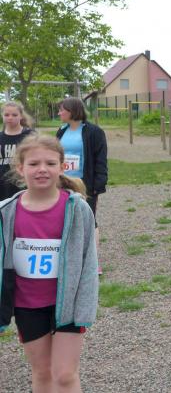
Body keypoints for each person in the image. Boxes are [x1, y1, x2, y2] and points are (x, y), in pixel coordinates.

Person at [0, 134, 99, 392]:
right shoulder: (6, 211)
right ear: (20, 168)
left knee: (65, 375)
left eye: (50, 163)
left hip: (68, 304)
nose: (42, 169)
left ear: (62, 167)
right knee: (42, 373)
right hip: (27, 305)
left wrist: (85, 306)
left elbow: (89, 263)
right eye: (34, 164)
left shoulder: (78, 209)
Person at [55, 97, 107, 274]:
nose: (59, 113)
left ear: (72, 111)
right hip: (62, 182)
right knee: (64, 218)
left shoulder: (94, 132)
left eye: (62, 110)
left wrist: (99, 183)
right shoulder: (61, 131)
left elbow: (101, 160)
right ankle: (69, 258)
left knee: (89, 220)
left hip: (85, 184)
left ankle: (93, 261)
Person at [1, 101, 34, 200]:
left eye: (14, 115)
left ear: (21, 116)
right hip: (2, 186)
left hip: (23, 184)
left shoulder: (30, 135)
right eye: (6, 115)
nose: (10, 117)